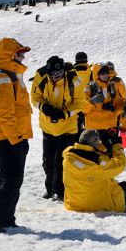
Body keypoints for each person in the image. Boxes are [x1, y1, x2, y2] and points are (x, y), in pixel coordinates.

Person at [0, 37, 34, 235]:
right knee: (11, 179)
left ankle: (6, 219)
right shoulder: (1, 78)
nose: (23, 56)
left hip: (15, 136)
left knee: (11, 179)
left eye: (23, 53)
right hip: (6, 137)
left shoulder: (12, 75)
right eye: (19, 53)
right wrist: (16, 139)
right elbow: (4, 114)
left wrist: (21, 138)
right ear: (9, 55)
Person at [29, 55, 82, 200]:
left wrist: (65, 114)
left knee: (62, 161)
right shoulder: (40, 76)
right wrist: (44, 107)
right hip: (48, 126)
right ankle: (50, 189)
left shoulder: (74, 80)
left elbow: (80, 103)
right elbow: (34, 97)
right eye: (52, 75)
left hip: (68, 128)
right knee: (48, 161)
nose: (55, 78)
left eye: (59, 75)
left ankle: (62, 190)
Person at [62, 129, 126, 212]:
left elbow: (89, 150)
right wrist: (116, 145)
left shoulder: (68, 156)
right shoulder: (99, 163)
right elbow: (120, 164)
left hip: (74, 203)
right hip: (97, 205)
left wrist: (102, 144)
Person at [82, 62, 126, 145]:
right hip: (94, 128)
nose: (105, 75)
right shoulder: (90, 88)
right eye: (102, 73)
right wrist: (92, 102)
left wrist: (119, 110)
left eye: (106, 72)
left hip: (110, 126)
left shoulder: (112, 86)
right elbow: (83, 109)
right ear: (96, 74)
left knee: (111, 153)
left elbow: (119, 102)